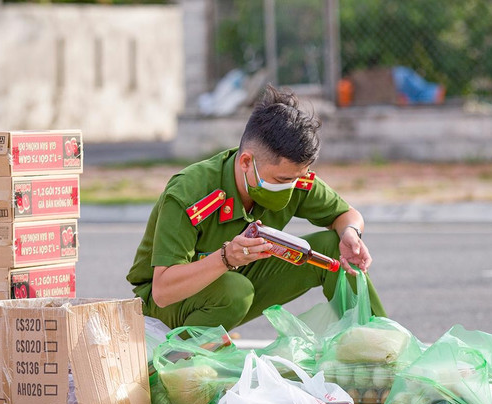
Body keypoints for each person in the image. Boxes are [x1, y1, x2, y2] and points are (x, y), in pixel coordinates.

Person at [126, 85, 386, 331]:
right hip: (170, 304)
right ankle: (177, 364)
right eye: (282, 180)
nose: (291, 186)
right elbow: (162, 291)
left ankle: (376, 347)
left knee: (333, 248)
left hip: (237, 280)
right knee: (234, 290)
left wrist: (351, 233)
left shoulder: (293, 178)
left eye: (297, 178)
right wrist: (226, 258)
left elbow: (346, 215)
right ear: (246, 162)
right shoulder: (190, 194)